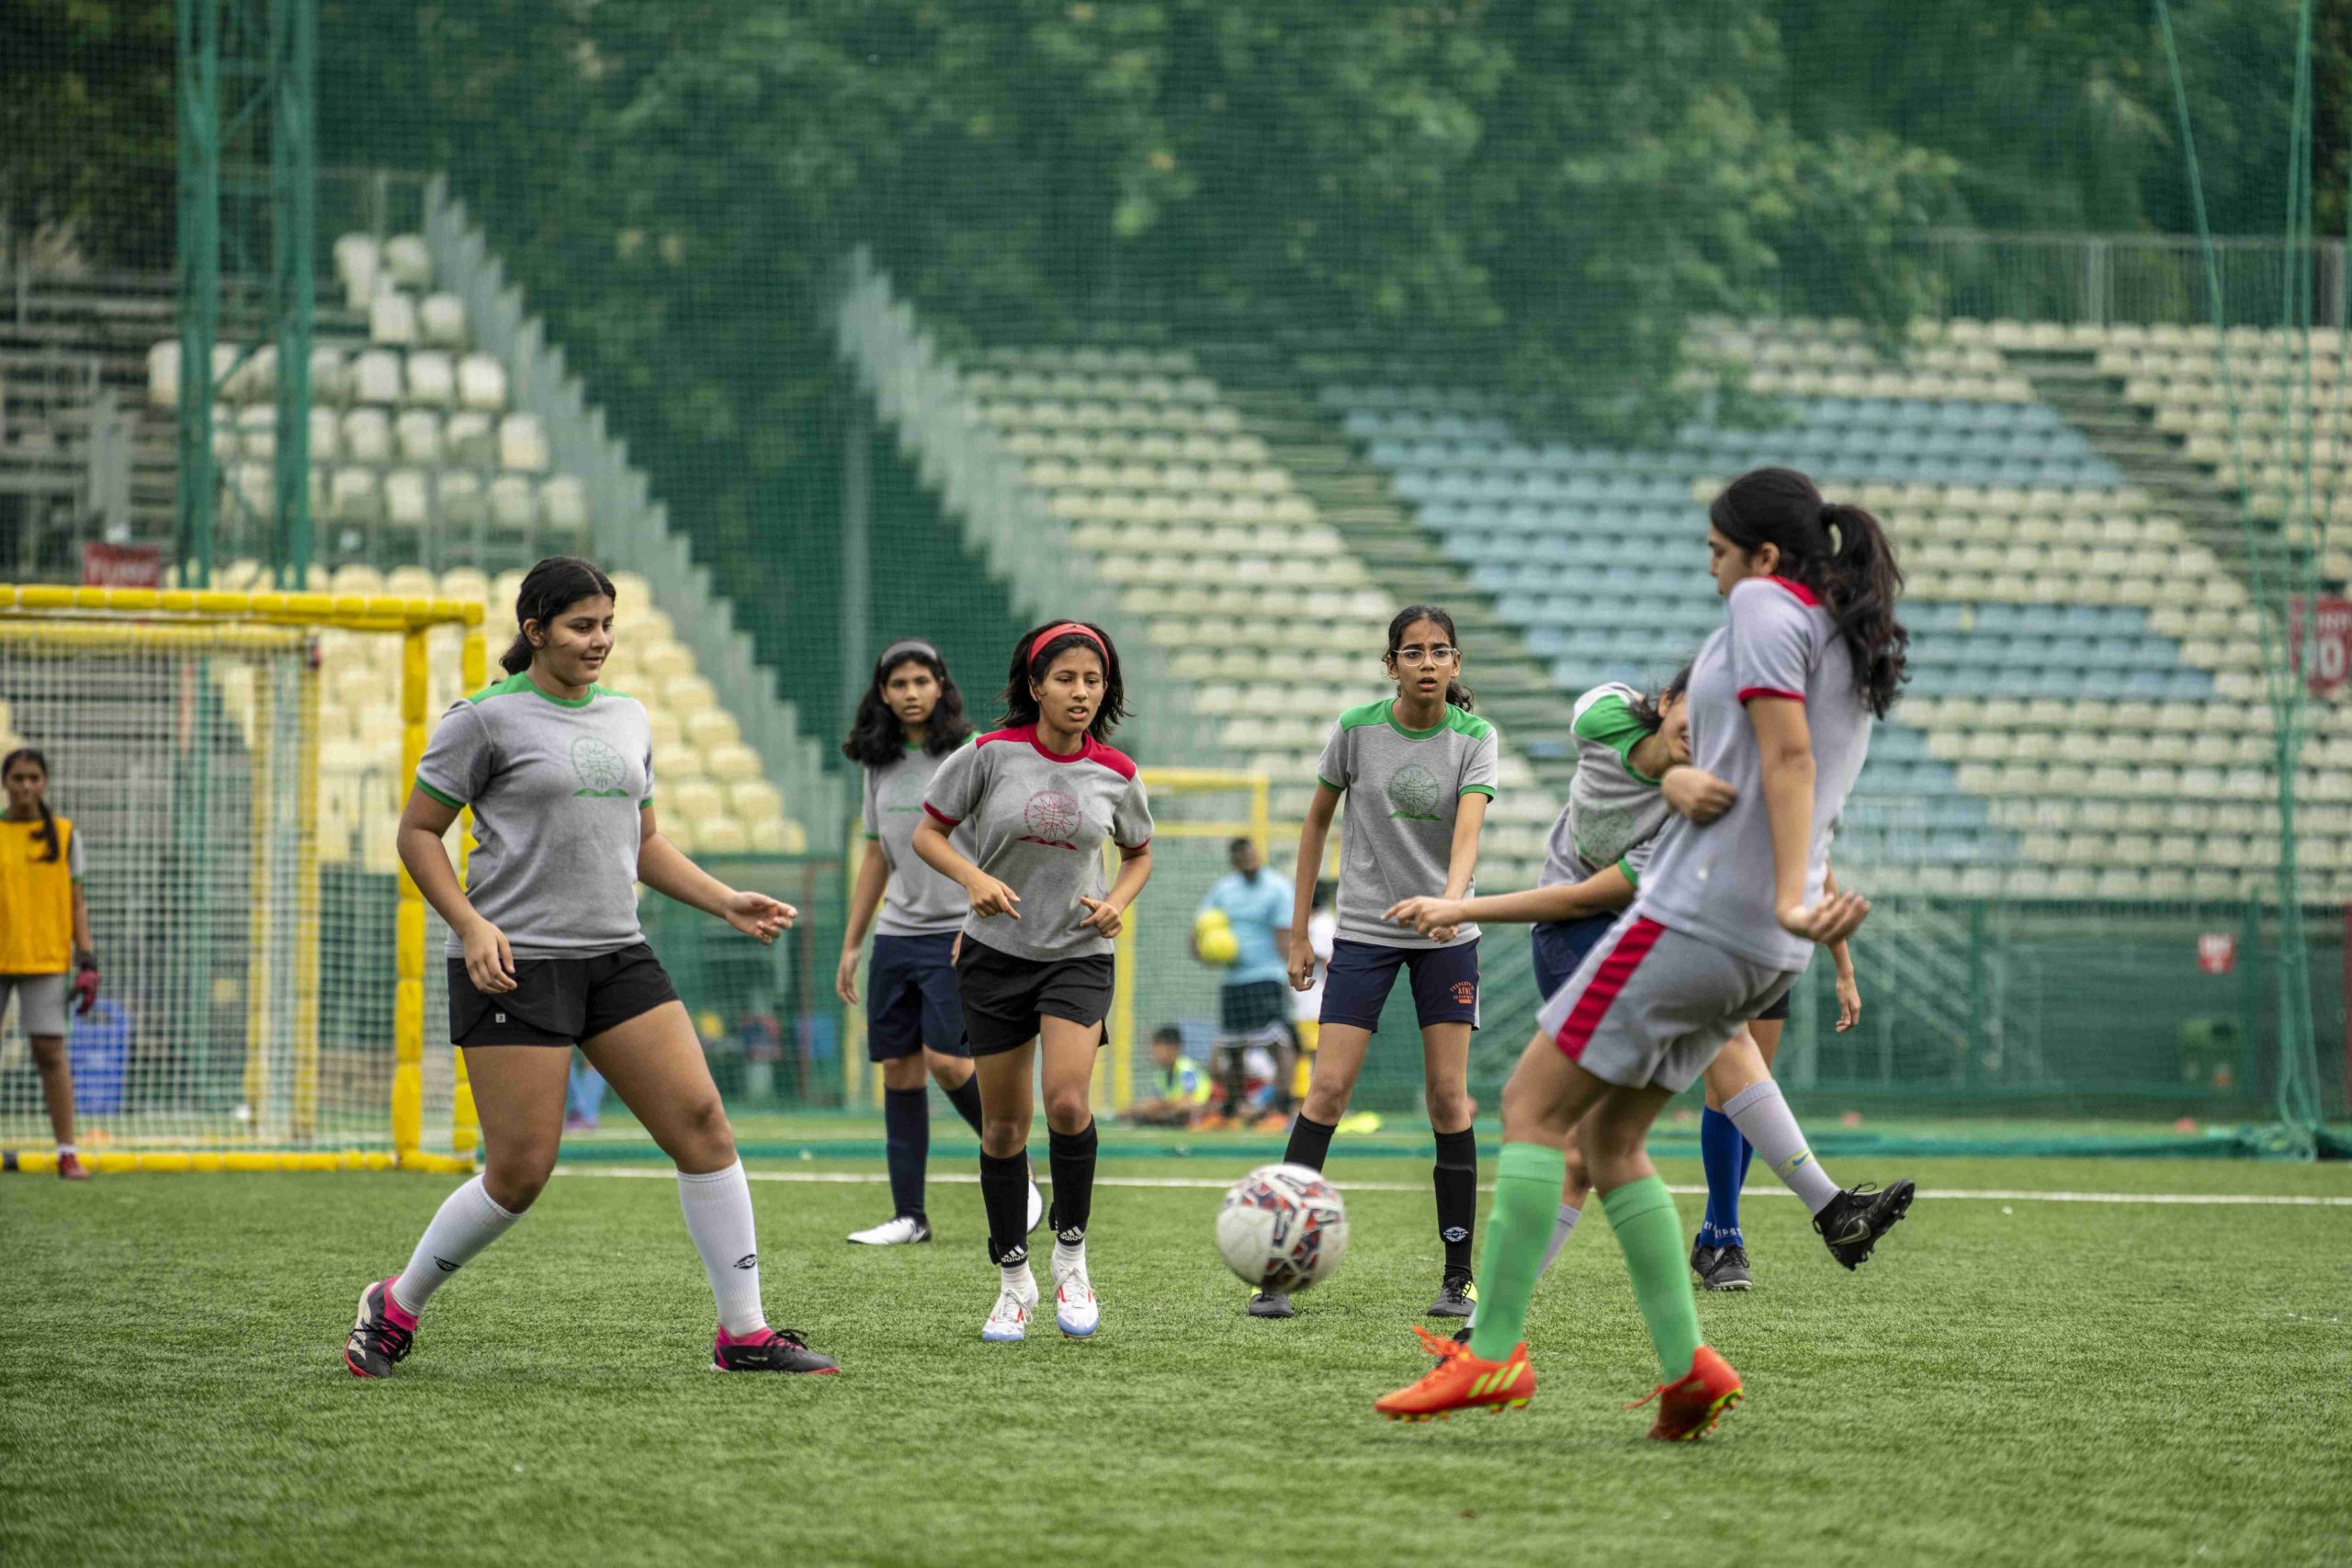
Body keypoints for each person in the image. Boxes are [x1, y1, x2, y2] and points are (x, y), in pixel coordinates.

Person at [1376, 467, 1913, 1437]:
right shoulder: (1841, 631)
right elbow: (1760, 762)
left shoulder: (1760, 600)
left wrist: (1791, 892)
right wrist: (1686, 792)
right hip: (1755, 946)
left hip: (1696, 919)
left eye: (1714, 552)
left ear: (1760, 555)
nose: (1709, 574)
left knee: (1529, 1107)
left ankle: (1490, 1355)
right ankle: (1688, 1370)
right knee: (1611, 1142)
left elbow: (1786, 761)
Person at [343, 557, 836, 1378]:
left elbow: (642, 844)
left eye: (607, 624)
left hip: (617, 957)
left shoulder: (629, 717)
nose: (599, 640)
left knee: (705, 1127)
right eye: (581, 625)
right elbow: (417, 834)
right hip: (516, 966)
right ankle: (395, 1303)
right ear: (534, 630)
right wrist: (469, 925)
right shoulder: (484, 719)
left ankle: (742, 1331)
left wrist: (725, 901)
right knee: (520, 1173)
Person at [1391, 667, 1891, 1321]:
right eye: (1695, 715)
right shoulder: (1604, 717)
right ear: (1663, 703)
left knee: (1597, 1146)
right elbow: (1572, 900)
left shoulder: (1695, 815)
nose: (1703, 734)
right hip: (1573, 941)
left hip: (1634, 937)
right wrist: (1460, 905)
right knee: (1583, 1139)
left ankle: (1499, 1334)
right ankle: (1819, 1213)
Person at [913, 619, 1153, 1343]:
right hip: (994, 955)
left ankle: (1071, 1259)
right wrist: (974, 879)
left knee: (1070, 1101)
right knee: (1003, 1124)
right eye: (1066, 678)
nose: (1080, 691)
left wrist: (1115, 902)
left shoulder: (1117, 771)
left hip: (1077, 956)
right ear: (1035, 684)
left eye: (1093, 679)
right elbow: (928, 832)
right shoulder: (987, 755)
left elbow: (1139, 854)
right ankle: (1012, 1279)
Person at [1263, 605, 1498, 1323]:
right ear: (1390, 663)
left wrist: (1451, 903)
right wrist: (1300, 931)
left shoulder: (1475, 738)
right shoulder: (1355, 728)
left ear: (1456, 665)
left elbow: (1468, 833)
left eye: (1441, 651)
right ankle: (1275, 1266)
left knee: (1447, 1098)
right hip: (1364, 930)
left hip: (1447, 936)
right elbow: (1314, 823)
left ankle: (1458, 1276)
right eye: (1413, 651)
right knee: (1327, 1089)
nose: (1427, 662)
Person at [835, 637, 1041, 1245]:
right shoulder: (877, 763)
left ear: (942, 685)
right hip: (897, 935)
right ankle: (910, 1216)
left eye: (921, 681)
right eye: (897, 684)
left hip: (960, 932)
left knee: (950, 1061)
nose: (910, 693)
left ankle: (1016, 1164)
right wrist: (854, 942)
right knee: (899, 1070)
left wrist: (980, 925)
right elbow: (876, 853)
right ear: (882, 694)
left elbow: (998, 846)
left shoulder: (972, 755)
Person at [1, 748, 99, 1180]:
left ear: (45, 783)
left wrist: (88, 959)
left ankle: (67, 1151)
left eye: (34, 777)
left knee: (50, 1052)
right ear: (6, 783)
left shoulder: (65, 834)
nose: (26, 786)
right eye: (18, 777)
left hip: (45, 958)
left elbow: (77, 903)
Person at [1194, 837, 1295, 1130]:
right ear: (1234, 861)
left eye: (1252, 856)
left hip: (1268, 977)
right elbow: (1200, 928)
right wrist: (1202, 948)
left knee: (1277, 1043)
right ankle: (1232, 1110)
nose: (1249, 861)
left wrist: (1291, 973)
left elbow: (1284, 936)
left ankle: (1281, 1108)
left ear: (1258, 855)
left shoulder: (1278, 887)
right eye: (1242, 858)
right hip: (1233, 980)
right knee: (1233, 1046)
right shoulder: (1223, 890)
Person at [1127, 1026, 1212, 1127]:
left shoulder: (1186, 1069)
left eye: (1157, 1046)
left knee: (1181, 1109)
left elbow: (1188, 1101)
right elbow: (1157, 1098)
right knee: (1142, 1109)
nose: (1152, 1052)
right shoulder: (1161, 1074)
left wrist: (1159, 1105)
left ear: (1172, 1048)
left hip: (1198, 1109)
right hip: (1172, 1108)